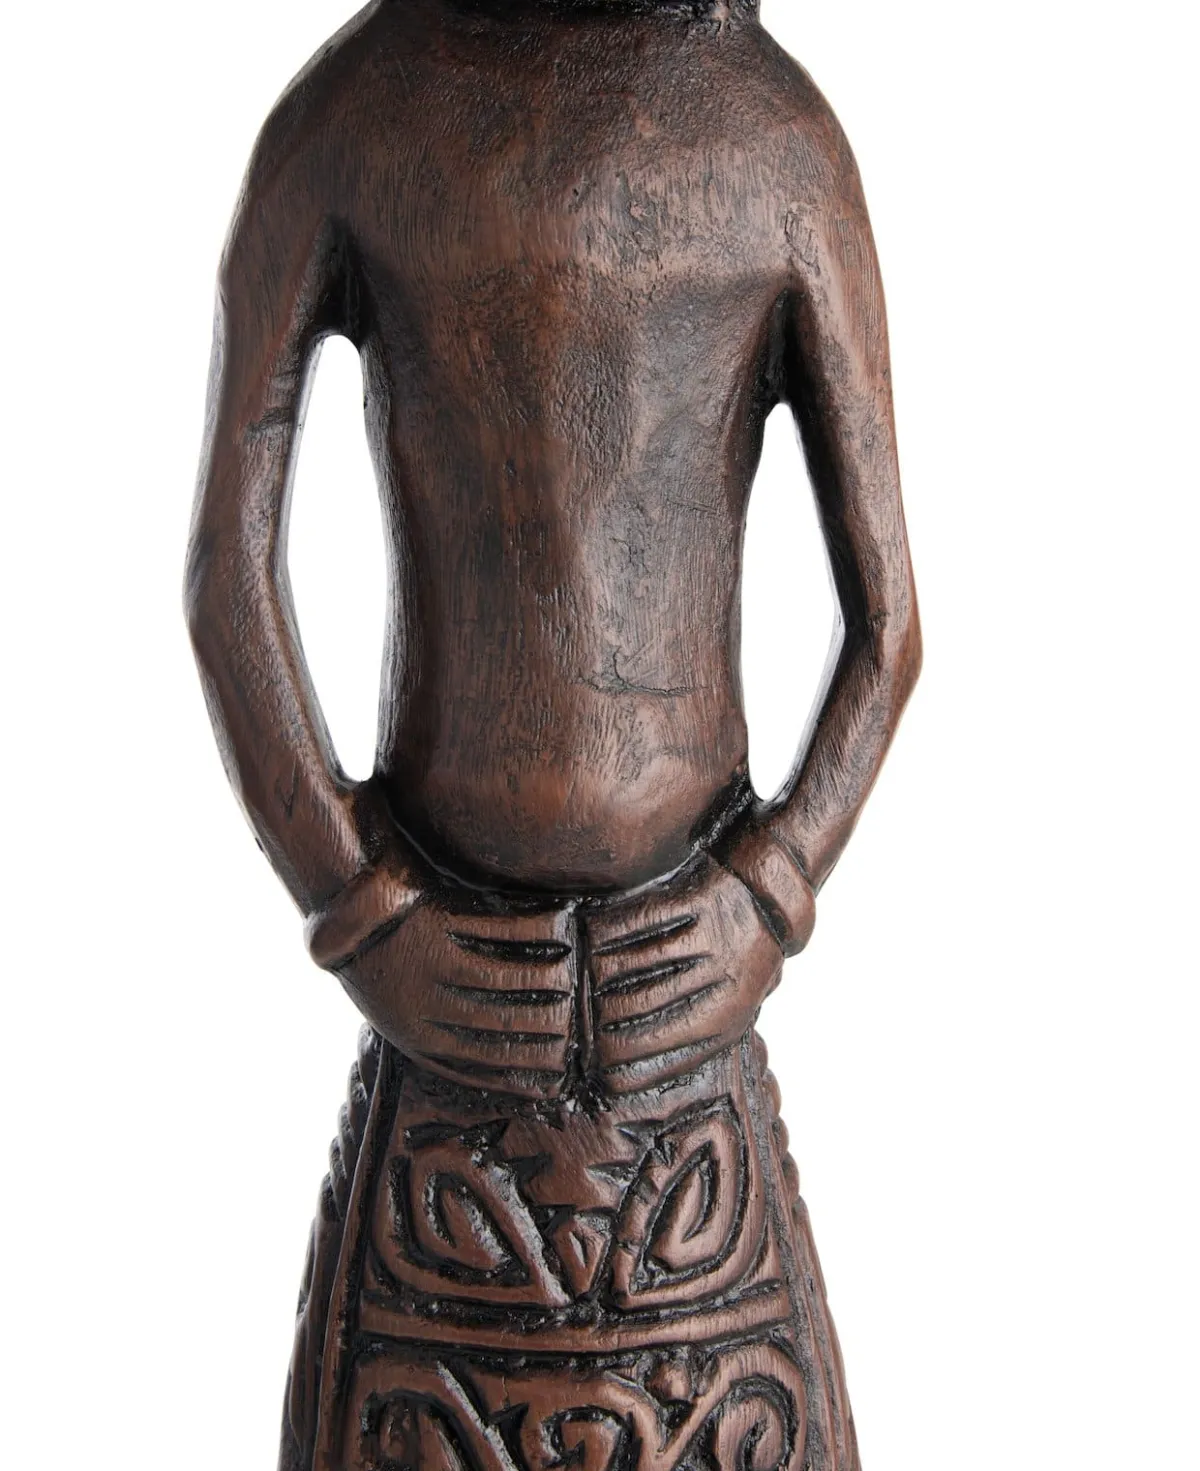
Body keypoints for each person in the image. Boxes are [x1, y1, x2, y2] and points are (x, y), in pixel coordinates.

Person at [186, 2, 921, 1467]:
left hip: (678, 999)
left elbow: (888, 625)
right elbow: (229, 581)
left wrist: (763, 897)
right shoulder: (357, 119)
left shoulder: (775, 140)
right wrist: (367, 916)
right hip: (453, 998)